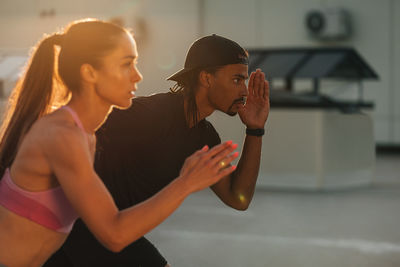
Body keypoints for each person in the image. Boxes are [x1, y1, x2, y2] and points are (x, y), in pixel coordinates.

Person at [0, 20, 239, 267]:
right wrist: (186, 183)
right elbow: (115, 235)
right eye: (126, 64)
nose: (137, 76)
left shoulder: (85, 136)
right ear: (90, 73)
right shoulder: (63, 136)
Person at [45, 34, 270, 267]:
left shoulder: (204, 137)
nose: (244, 91)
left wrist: (255, 130)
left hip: (119, 230)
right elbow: (69, 131)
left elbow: (237, 197)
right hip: (76, 230)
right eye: (236, 80)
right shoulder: (150, 114)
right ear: (206, 78)